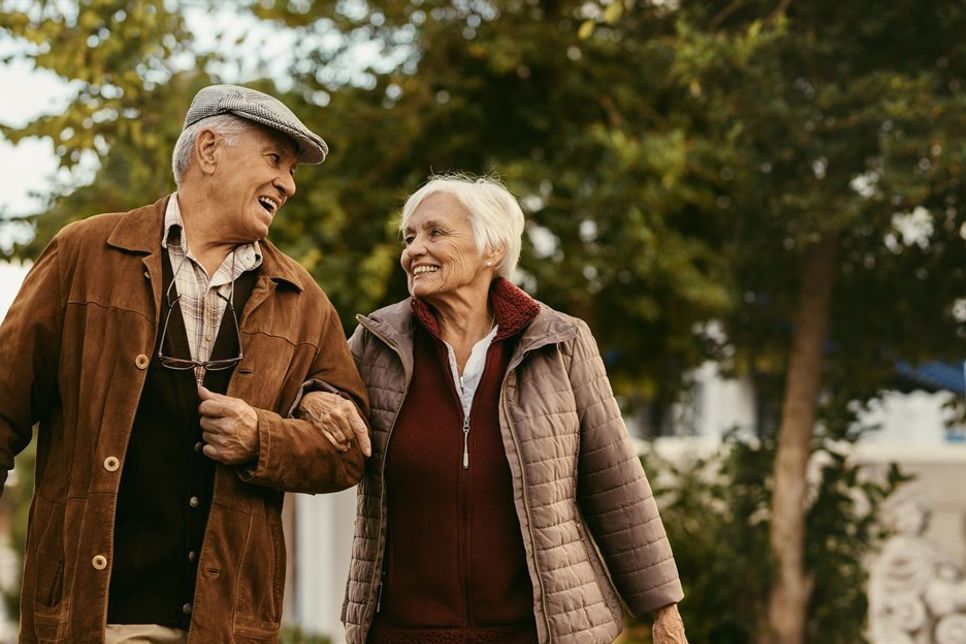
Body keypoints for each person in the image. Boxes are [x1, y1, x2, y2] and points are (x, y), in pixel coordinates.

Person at [0, 84, 371, 643]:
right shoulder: (84, 253)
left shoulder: (303, 300)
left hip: (225, 630)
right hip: (94, 622)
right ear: (209, 150)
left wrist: (263, 439)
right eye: (275, 159)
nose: (289, 185)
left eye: (292, 171)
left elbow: (349, 455)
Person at [299, 174, 688, 643]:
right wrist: (310, 397)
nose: (414, 250)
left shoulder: (560, 342)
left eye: (435, 232)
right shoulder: (377, 341)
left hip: (536, 631)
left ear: (493, 249)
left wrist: (662, 609)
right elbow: (316, 401)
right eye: (409, 237)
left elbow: (614, 480)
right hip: (405, 630)